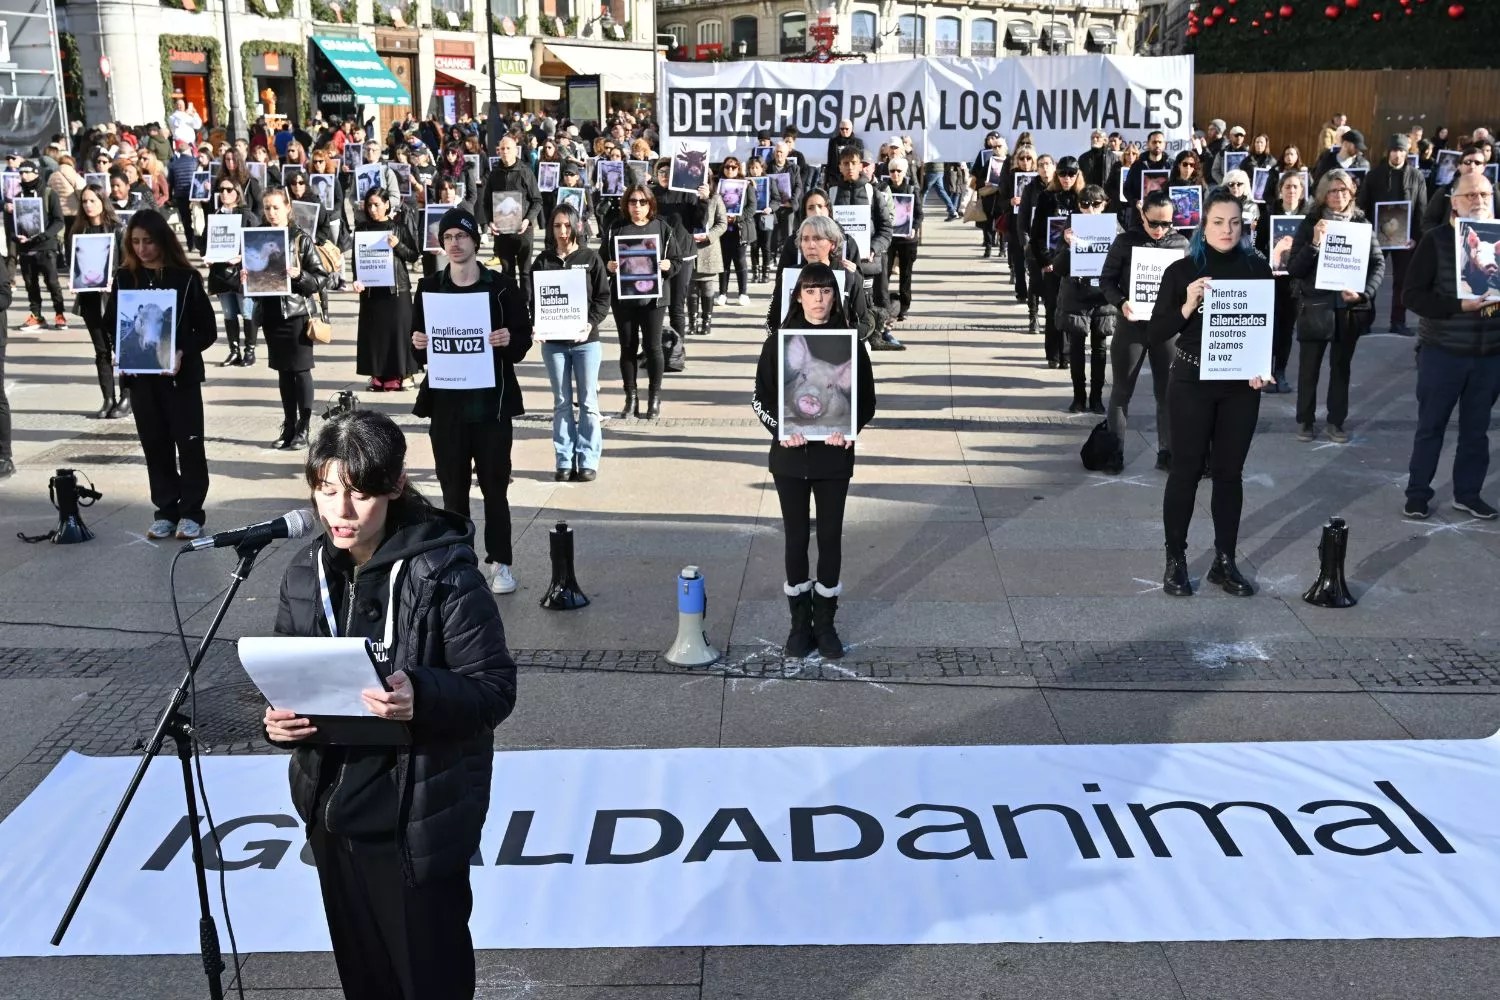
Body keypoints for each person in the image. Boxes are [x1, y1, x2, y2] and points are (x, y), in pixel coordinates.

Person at [263, 408, 517, 1000]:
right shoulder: (304, 573)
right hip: (332, 813)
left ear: (396, 486)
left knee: (430, 977)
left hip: (415, 819)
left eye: (358, 495)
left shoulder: (444, 573)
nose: (340, 514)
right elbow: (287, 678)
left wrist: (421, 695)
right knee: (366, 978)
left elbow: (493, 688)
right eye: (326, 493)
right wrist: (281, 724)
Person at [1148, 188, 1276, 597]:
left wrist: (1264, 366)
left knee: (1229, 474)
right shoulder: (1183, 269)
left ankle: (1225, 560)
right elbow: (1155, 331)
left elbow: (1271, 326)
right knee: (1185, 472)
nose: (1227, 229)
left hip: (1240, 388)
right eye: (1219, 221)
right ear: (1204, 224)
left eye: (1235, 222)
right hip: (1191, 383)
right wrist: (1187, 305)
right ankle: (1175, 560)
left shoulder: (1257, 269)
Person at [752, 264, 876, 659]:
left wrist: (849, 430)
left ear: (834, 297)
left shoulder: (851, 344)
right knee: (794, 539)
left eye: (825, 292)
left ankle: (825, 624)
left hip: (832, 458)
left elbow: (867, 402)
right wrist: (781, 430)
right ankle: (798, 625)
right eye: (811, 291)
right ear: (798, 295)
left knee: (829, 538)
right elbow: (761, 398)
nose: (819, 299)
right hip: (789, 459)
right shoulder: (779, 343)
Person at [410, 207, 532, 595]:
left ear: (475, 241)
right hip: (447, 408)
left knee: (495, 487)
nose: (455, 244)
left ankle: (501, 561)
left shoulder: (499, 286)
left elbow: (523, 338)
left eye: (461, 236)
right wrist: (419, 345)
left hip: (491, 406)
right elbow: (418, 344)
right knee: (452, 490)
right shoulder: (429, 288)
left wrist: (509, 339)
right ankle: (460, 562)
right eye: (447, 238)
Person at [100, 210, 218, 540]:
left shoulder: (186, 278)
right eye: (135, 242)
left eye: (148, 241)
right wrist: (117, 350)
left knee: (189, 444)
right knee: (155, 444)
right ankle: (165, 509)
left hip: (180, 378)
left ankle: (192, 512)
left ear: (162, 240)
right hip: (142, 380)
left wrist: (182, 351)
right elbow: (111, 325)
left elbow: (206, 330)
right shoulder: (124, 278)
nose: (142, 249)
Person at [1400, 171, 1500, 521]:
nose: (1479, 200)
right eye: (1470, 195)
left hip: (1489, 356)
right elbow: (1412, 296)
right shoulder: (1437, 240)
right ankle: (1417, 494)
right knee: (1431, 427)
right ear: (1454, 202)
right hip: (1442, 352)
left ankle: (1468, 493)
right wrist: (1458, 306)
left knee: (1476, 431)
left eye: (1485, 194)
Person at [1285, 169, 1385, 444]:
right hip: (1315, 306)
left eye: (1344, 190)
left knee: (1341, 369)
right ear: (1323, 195)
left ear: (1351, 192)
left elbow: (1378, 263)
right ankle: (1305, 420)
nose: (1339, 196)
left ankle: (1336, 422)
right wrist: (1315, 244)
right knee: (1309, 369)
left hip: (1347, 310)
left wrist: (1364, 293)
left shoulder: (1362, 223)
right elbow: (1294, 268)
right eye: (1332, 191)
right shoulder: (1310, 224)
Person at [1100, 189, 1189, 472]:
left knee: (1168, 393)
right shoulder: (1126, 242)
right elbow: (1106, 281)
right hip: (1132, 327)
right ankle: (1115, 452)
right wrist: (1122, 302)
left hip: (1167, 330)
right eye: (1154, 223)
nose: (1160, 230)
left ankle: (1168, 452)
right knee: (1121, 393)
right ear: (1142, 215)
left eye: (1166, 224)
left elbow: (1189, 287)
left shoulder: (1181, 244)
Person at [533, 203, 611, 480]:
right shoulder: (542, 261)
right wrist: (536, 324)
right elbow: (533, 300)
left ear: (577, 225)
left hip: (586, 342)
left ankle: (588, 458)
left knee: (589, 402)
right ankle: (564, 460)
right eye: (557, 225)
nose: (562, 231)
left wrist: (590, 322)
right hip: (554, 344)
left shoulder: (590, 258)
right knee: (562, 402)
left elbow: (603, 298)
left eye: (567, 225)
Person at [252, 187, 331, 450]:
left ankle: (304, 428)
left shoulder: (300, 239)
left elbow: (321, 278)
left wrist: (299, 276)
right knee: (283, 373)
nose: (271, 213)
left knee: (300, 371)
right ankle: (288, 425)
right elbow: (255, 279)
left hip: (296, 314)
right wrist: (246, 278)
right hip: (272, 314)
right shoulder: (258, 238)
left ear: (288, 208)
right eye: (266, 208)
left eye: (276, 207)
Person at [601, 184, 677, 419]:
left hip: (654, 299)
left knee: (653, 347)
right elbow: (602, 258)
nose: (637, 206)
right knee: (627, 347)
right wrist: (608, 266)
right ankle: (631, 398)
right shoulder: (617, 228)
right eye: (633, 202)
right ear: (626, 204)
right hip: (624, 298)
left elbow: (676, 261)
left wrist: (668, 266)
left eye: (642, 202)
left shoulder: (662, 228)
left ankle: (654, 398)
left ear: (650, 204)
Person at [1052, 184, 1119, 414]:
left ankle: (1097, 398)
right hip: (1076, 295)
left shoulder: (1114, 228)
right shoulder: (1070, 229)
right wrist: (1069, 246)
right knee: (1077, 348)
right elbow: (1058, 268)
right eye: (1085, 204)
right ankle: (1079, 397)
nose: (1090, 210)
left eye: (1096, 204)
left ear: (1105, 204)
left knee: (1100, 349)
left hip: (1102, 296)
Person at [1358, 135, 1428, 339]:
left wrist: (1416, 237)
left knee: (1402, 280)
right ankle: (1365, 321)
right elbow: (1364, 205)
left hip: (1405, 238)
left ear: (1407, 153)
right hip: (1377, 236)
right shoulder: (1374, 175)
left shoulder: (1416, 176)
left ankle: (1398, 321)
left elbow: (1421, 210)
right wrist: (1367, 234)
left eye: (1402, 151)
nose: (1397, 154)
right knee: (1372, 278)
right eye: (1394, 150)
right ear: (1388, 151)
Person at [352, 188, 421, 392]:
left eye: (377, 204)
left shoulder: (397, 227)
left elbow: (413, 255)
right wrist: (357, 279)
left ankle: (405, 373)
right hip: (372, 290)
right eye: (369, 205)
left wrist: (398, 245)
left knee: (399, 332)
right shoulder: (362, 229)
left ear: (387, 205)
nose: (373, 209)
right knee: (375, 334)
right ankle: (378, 374)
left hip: (397, 289)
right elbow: (357, 260)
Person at [831, 148, 898, 350]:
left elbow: (886, 228)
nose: (849, 167)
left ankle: (877, 336)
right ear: (839, 167)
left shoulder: (873, 192)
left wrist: (873, 248)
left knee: (869, 304)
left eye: (853, 163)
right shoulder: (831, 192)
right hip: (839, 263)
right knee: (841, 302)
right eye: (845, 163)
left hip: (867, 263)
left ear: (861, 166)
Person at [68, 186, 124, 417]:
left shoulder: (118, 230)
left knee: (122, 351)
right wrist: (76, 280)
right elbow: (74, 265)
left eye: (92, 200)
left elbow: (127, 263)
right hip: (90, 298)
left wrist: (115, 280)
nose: (88, 205)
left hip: (115, 298)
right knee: (102, 351)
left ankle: (127, 398)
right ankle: (108, 398)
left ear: (102, 201)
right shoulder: (77, 232)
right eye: (84, 202)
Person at [1256, 171, 1311, 392]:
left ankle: (1281, 371)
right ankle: (1266, 372)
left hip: (1295, 282)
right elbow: (1258, 247)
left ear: (1302, 190)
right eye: (1287, 186)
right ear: (1280, 190)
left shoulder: (1310, 216)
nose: (1291, 191)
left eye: (1296, 187)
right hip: (1272, 281)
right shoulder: (1268, 214)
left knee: (1287, 328)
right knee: (1270, 328)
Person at [1030, 155, 1085, 370]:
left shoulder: (1083, 198)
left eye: (1071, 174)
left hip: (1077, 262)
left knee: (1072, 309)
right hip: (1053, 261)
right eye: (1062, 174)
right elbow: (1036, 234)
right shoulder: (1046, 197)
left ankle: (1068, 354)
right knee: (1053, 307)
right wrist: (1046, 260)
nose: (1067, 178)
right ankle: (1053, 354)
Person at [478, 135, 541, 301]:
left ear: (515, 151)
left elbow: (537, 201)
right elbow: (486, 203)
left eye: (508, 148)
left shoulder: (525, 172)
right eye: (502, 149)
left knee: (526, 271)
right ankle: (510, 303)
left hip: (523, 230)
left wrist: (527, 220)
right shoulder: (494, 174)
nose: (505, 152)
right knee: (507, 271)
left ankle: (527, 304)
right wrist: (490, 221)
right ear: (498, 151)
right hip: (502, 231)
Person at [205, 177, 259, 368]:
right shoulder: (216, 215)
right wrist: (208, 256)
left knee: (246, 311)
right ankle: (234, 350)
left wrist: (242, 257)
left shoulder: (247, 216)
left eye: (229, 189)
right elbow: (206, 242)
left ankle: (250, 351)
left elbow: (256, 243)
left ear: (238, 192)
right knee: (228, 314)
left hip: (241, 273)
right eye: (221, 190)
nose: (224, 193)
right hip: (220, 273)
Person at [11, 160, 68, 330]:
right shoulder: (18, 196)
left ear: (36, 173)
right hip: (26, 248)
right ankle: (36, 315)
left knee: (52, 282)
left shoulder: (49, 193)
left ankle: (60, 314)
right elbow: (13, 224)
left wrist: (45, 235)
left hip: (46, 247)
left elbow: (59, 221)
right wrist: (16, 237)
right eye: (21, 173)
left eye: (27, 172)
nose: (24, 175)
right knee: (30, 284)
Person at [880, 156, 923, 324]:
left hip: (907, 239)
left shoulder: (911, 189)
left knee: (906, 275)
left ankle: (904, 307)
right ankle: (885, 306)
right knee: (885, 273)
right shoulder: (884, 189)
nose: (895, 174)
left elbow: (919, 214)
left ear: (904, 172)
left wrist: (913, 228)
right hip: (889, 239)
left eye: (899, 171)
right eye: (892, 171)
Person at [687, 181, 726, 338]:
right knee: (691, 287)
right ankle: (692, 322)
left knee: (708, 287)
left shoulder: (716, 199)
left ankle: (706, 322)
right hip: (690, 247)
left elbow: (721, 223)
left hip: (708, 248)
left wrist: (709, 236)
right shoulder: (687, 197)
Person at [714, 156, 751, 307]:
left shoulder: (746, 185)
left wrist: (736, 218)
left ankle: (743, 293)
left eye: (733, 167)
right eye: (727, 167)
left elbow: (752, 207)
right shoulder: (717, 184)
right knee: (724, 263)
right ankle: (723, 293)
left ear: (738, 169)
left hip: (739, 230)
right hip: (722, 230)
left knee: (740, 262)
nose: (730, 170)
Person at [969, 131, 1008, 259]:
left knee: (1002, 224)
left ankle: (1002, 248)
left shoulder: (1009, 162)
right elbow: (978, 179)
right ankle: (988, 247)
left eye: (999, 146)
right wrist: (984, 183)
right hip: (989, 198)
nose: (996, 149)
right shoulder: (988, 162)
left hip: (1003, 199)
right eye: (994, 147)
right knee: (988, 225)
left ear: (1004, 147)